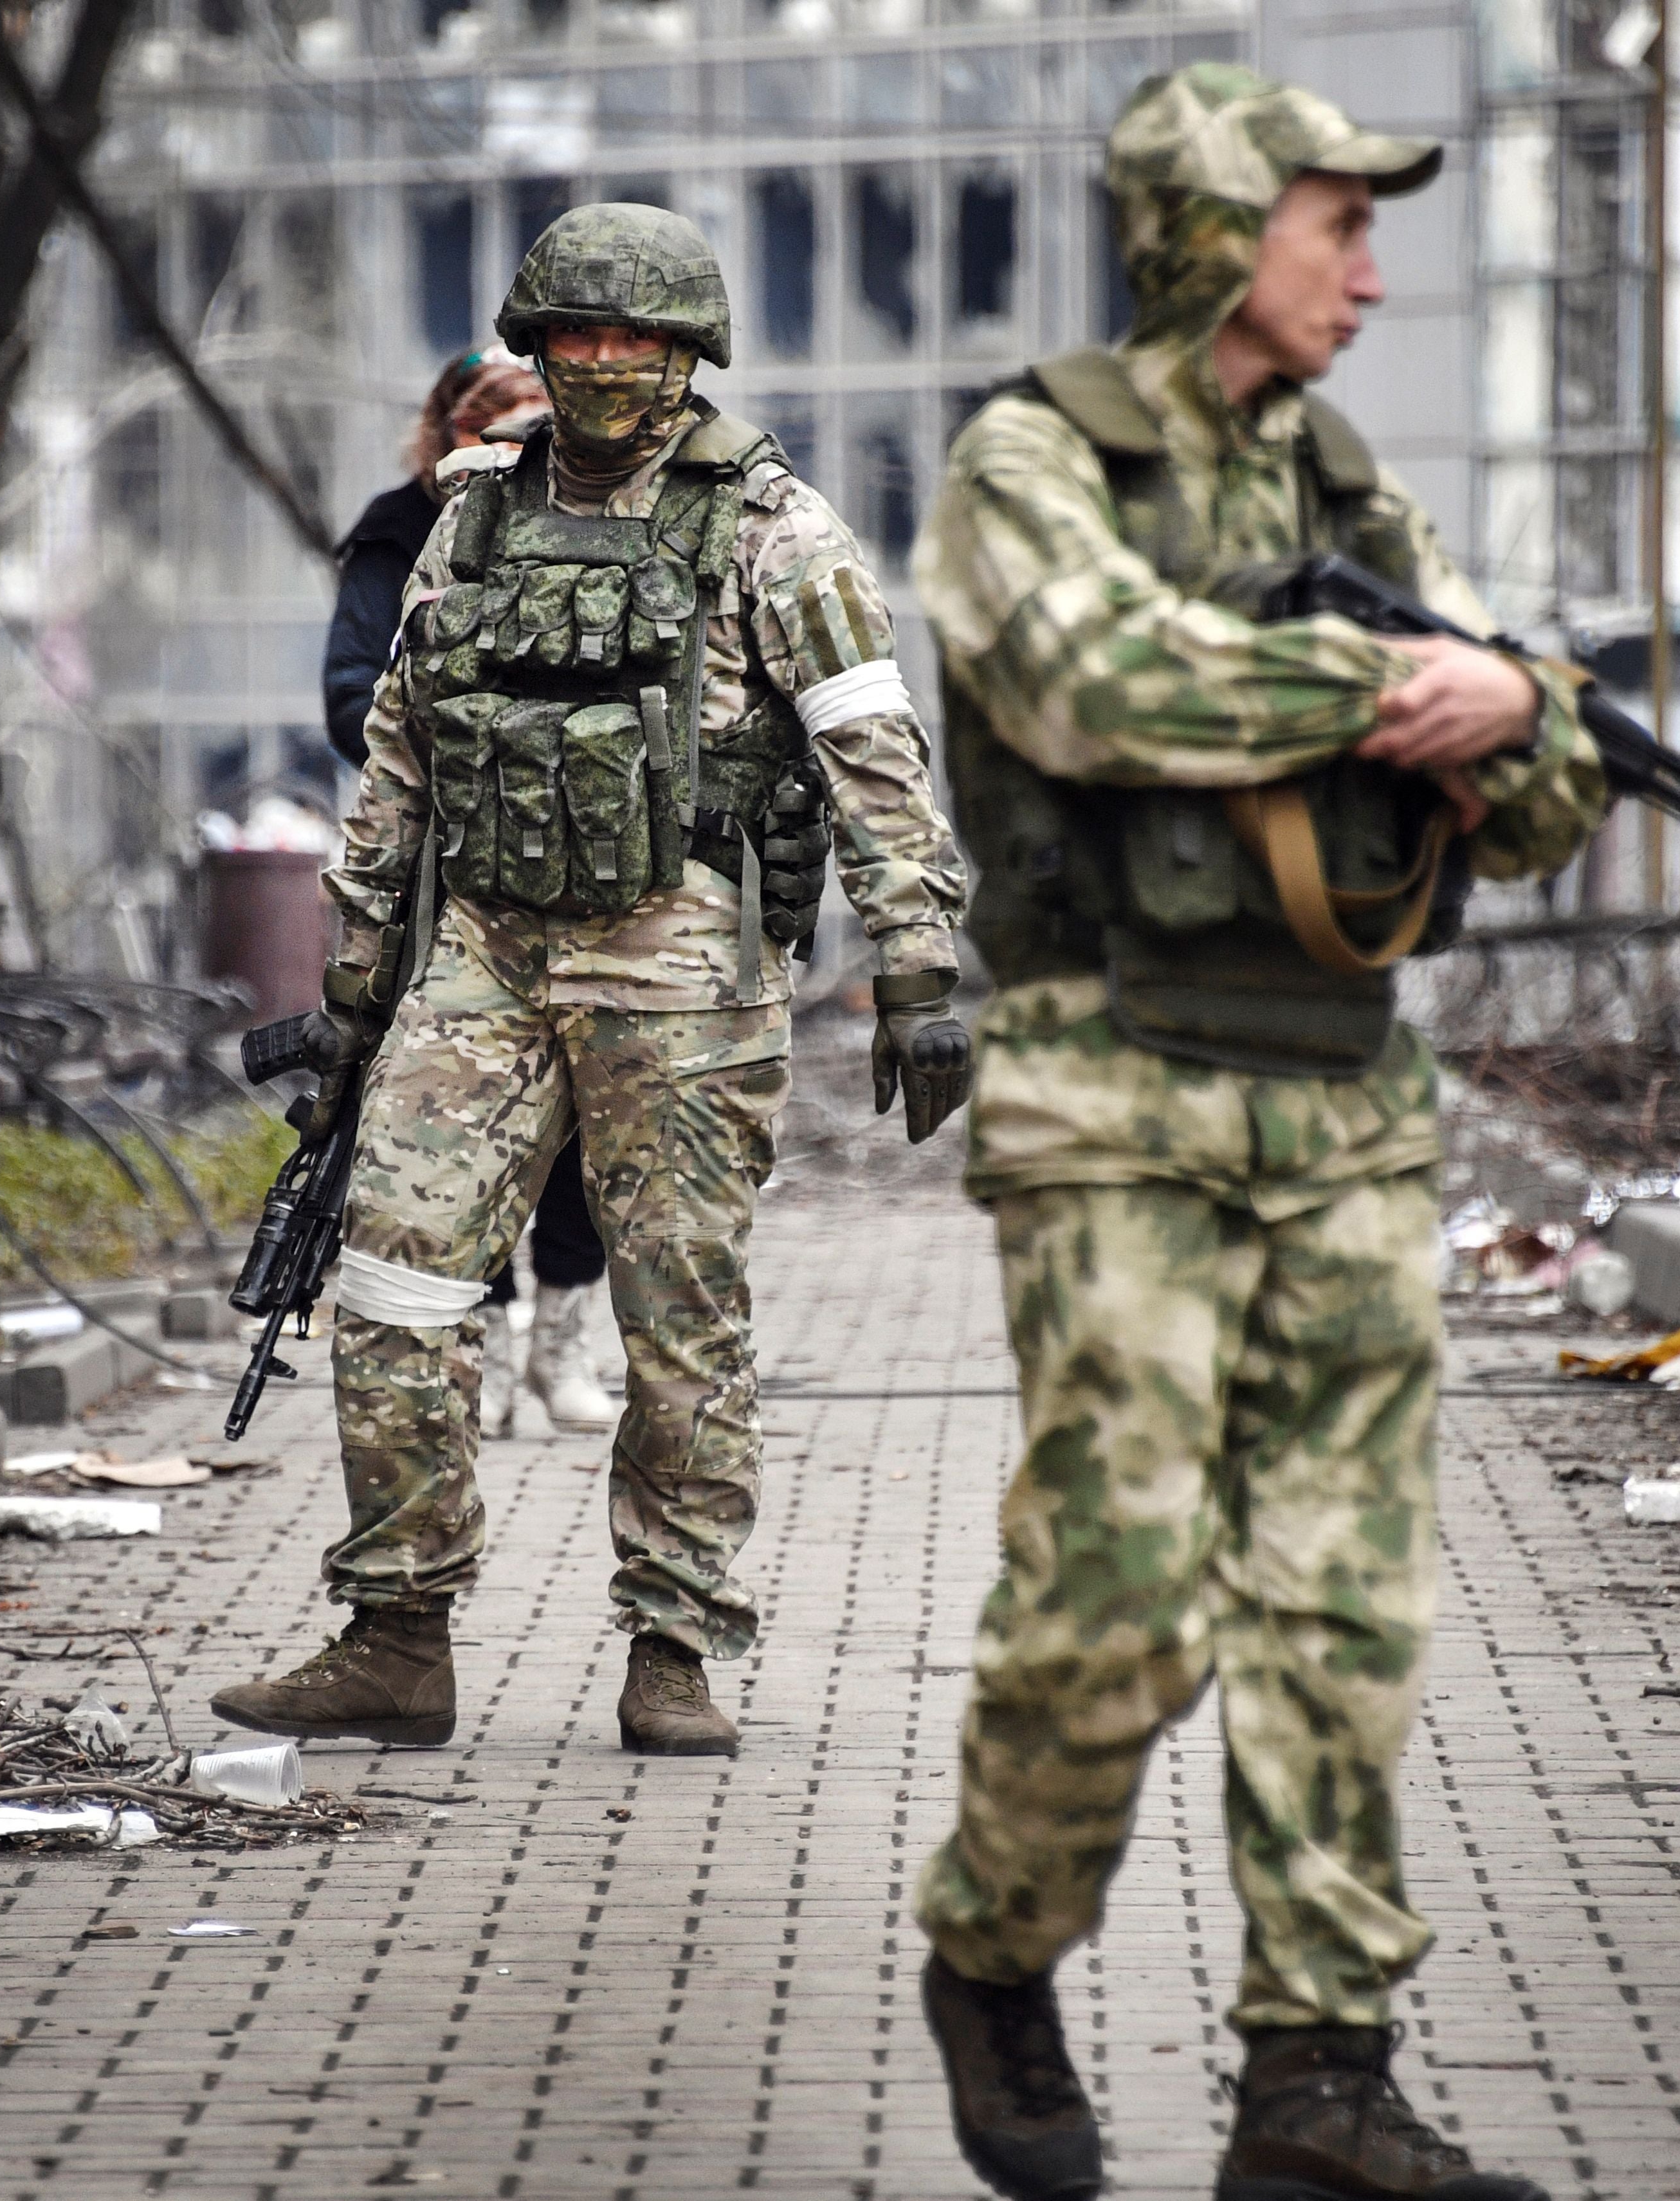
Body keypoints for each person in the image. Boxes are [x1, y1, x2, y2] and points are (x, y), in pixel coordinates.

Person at [905, 67, 1605, 2201]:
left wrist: (1521, 707)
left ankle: (1317, 2074)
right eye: (1338, 228)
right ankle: (993, 1949)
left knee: (1340, 1607)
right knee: (1121, 1596)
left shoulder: (1350, 491)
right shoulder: (1032, 456)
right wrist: (1414, 693)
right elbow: (1095, 687)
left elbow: (1546, 792)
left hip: (1343, 1100)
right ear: (1216, 232)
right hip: (1111, 1087)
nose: (1370, 277)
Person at [212, 203, 972, 1759]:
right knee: (393, 1286)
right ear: (535, 345)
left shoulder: (772, 529)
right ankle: (396, 1635)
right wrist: (354, 988)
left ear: (690, 354)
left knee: (680, 1318)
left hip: (682, 973)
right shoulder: (473, 520)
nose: (606, 361)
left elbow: (871, 750)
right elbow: (400, 762)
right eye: (577, 333)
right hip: (483, 960)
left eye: (638, 338)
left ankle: (674, 1646)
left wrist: (916, 963)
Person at [323, 351, 615, 1436]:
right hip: (447, 874)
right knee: (455, 1123)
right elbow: (353, 696)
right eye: (489, 423)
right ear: (447, 431)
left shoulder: (609, 520)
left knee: (588, 1113)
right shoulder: (402, 530)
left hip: (590, 872)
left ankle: (563, 1339)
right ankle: (482, 1338)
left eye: (535, 418)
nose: (516, 444)